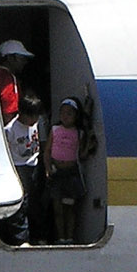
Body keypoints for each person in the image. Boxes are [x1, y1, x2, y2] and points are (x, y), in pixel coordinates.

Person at [45, 98, 88, 244]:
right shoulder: (55, 130)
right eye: (62, 113)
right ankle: (60, 237)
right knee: (58, 209)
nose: (65, 116)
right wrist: (47, 167)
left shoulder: (78, 133)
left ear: (76, 116)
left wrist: (89, 147)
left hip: (71, 174)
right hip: (57, 173)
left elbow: (81, 154)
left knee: (69, 208)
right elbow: (47, 151)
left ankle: (69, 237)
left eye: (69, 114)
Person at [2, 92, 43, 245]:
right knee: (21, 203)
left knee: (35, 202)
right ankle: (20, 238)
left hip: (33, 165)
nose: (34, 120)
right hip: (19, 168)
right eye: (32, 117)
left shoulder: (36, 124)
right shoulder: (10, 130)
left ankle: (38, 234)